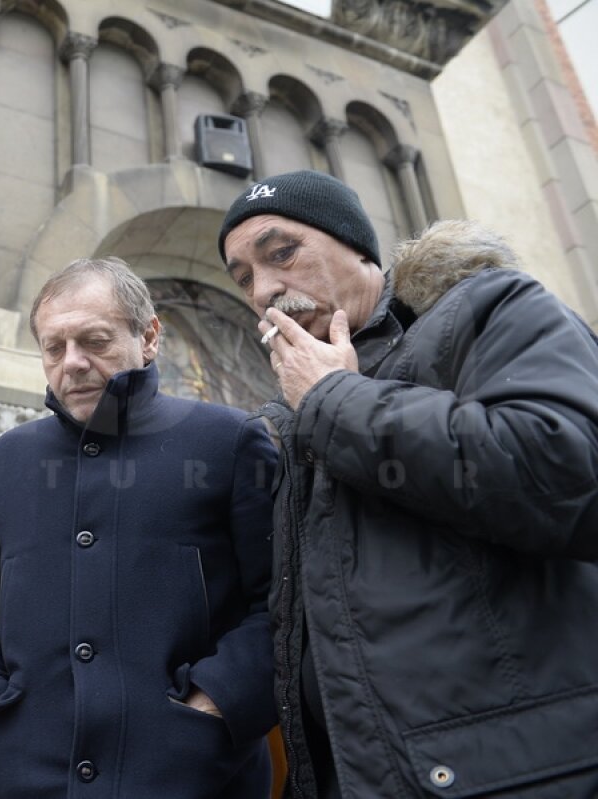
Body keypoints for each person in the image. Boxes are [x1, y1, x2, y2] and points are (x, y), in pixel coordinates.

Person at [219, 169, 598, 798]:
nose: (264, 290)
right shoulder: (292, 418)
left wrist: (334, 397)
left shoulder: (491, 307)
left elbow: (570, 472)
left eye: (281, 252)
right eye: (244, 279)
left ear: (357, 246)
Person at [0, 257, 278, 798]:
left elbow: (280, 603)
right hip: (34, 780)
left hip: (198, 780)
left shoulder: (227, 443)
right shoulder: (6, 462)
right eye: (54, 347)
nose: (72, 363)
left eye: (94, 340)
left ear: (150, 336)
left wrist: (214, 707)